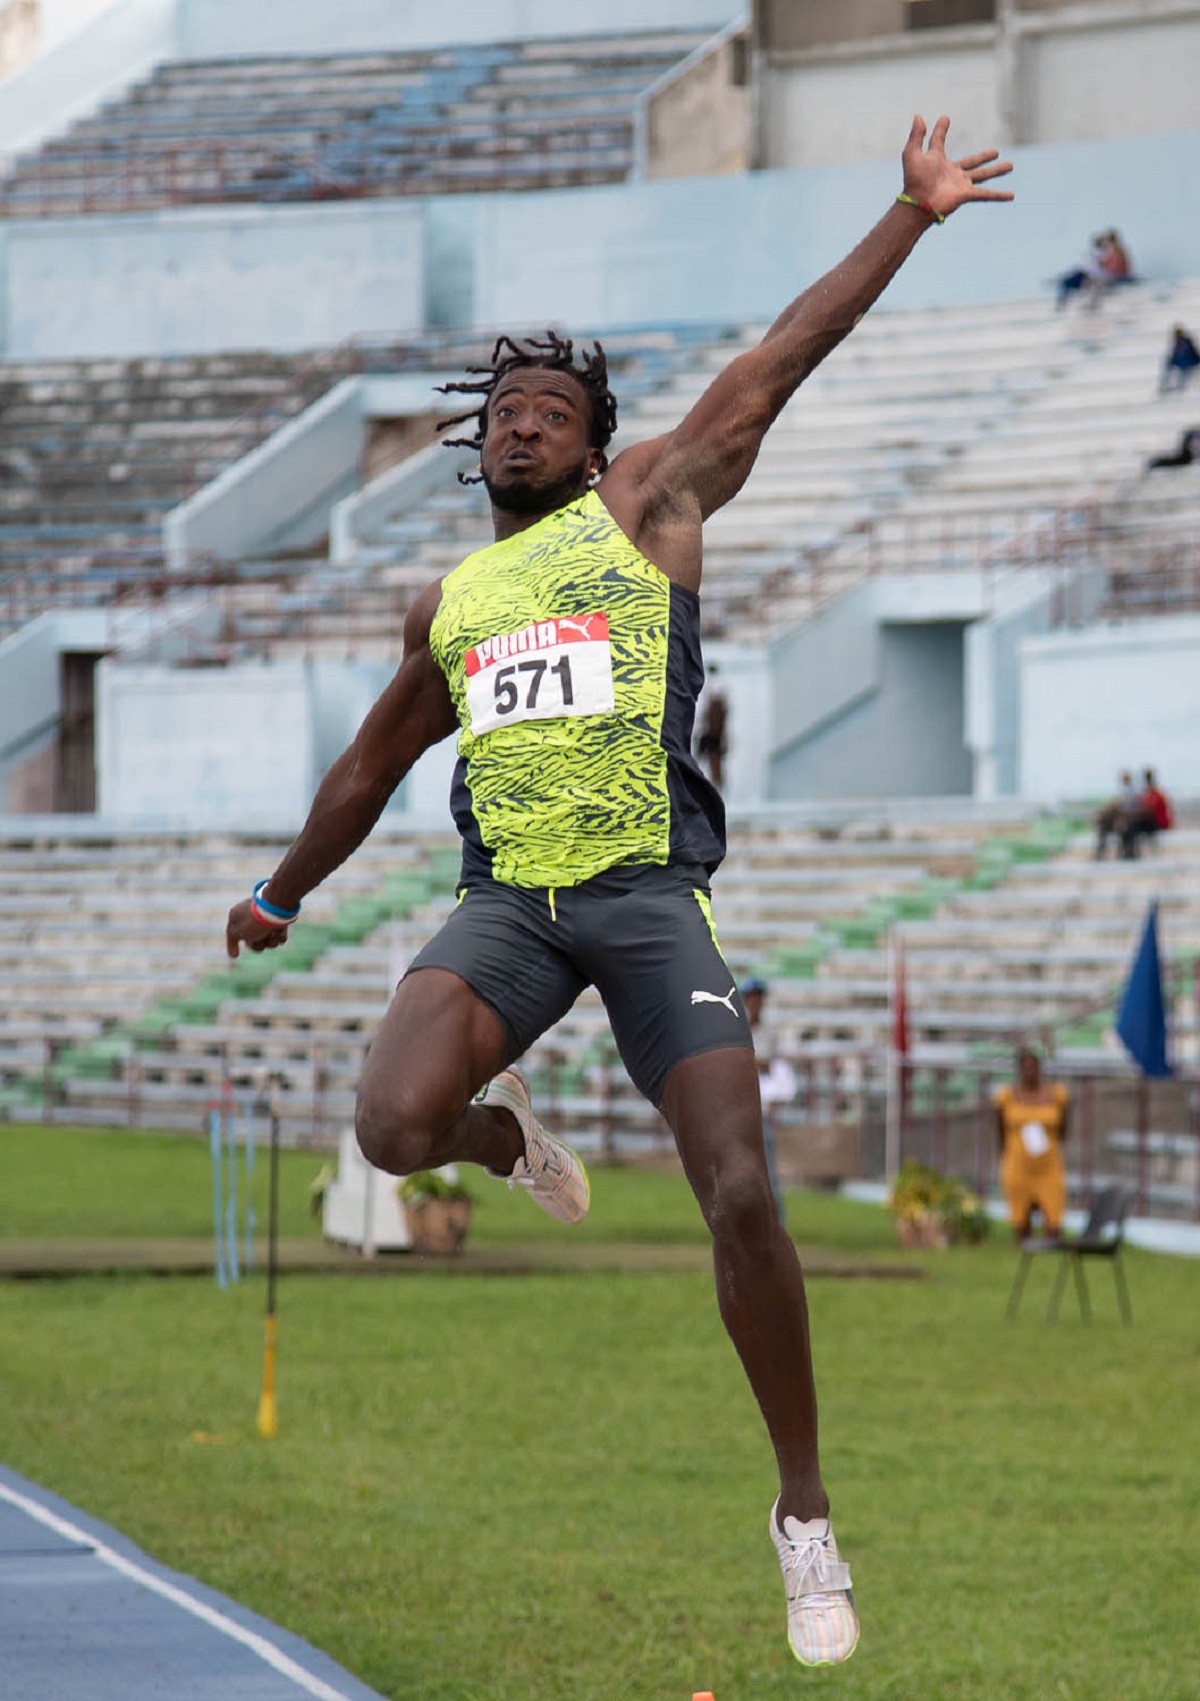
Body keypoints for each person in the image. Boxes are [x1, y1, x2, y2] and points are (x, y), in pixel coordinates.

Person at [224, 114, 1013, 1671]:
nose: (519, 423)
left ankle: (801, 1513)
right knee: (389, 1132)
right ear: (479, 445)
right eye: (502, 409)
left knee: (737, 1190)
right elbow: (367, 774)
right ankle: (503, 1132)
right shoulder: (448, 602)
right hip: (509, 902)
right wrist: (281, 891)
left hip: (648, 897)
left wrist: (909, 215)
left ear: (592, 442)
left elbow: (783, 356)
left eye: (549, 408)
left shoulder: (647, 508)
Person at [994, 1049, 1069, 1243]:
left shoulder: (1057, 1095)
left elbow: (1064, 1129)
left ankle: (1052, 1264)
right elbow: (999, 1131)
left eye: (1034, 1066)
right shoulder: (1006, 1097)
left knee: (1054, 1220)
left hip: (1049, 1166)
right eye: (1026, 1067)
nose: (1030, 1071)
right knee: (1021, 1223)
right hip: (1018, 1166)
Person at [742, 974, 794, 1226]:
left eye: (759, 998)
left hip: (761, 1111)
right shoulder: (738, 1029)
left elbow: (765, 1064)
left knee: (769, 1173)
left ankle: (777, 1224)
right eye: (752, 998)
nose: (756, 1003)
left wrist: (748, 1061)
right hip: (740, 1111)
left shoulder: (768, 1033)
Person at [1120, 767, 1173, 859]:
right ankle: (1129, 853)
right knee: (1128, 827)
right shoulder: (1148, 793)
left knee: (1130, 828)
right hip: (1150, 821)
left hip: (1155, 823)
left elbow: (1150, 810)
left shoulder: (1155, 793)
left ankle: (1131, 854)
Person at [695, 664, 730, 791]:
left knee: (712, 757)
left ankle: (712, 785)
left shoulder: (712, 688)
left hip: (710, 730)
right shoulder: (718, 689)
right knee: (711, 758)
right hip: (711, 729)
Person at [1094, 770, 1139, 858]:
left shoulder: (1130, 793)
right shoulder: (1125, 792)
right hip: (1121, 819)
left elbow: (1126, 807)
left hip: (1128, 821)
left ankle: (1125, 852)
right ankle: (1102, 853)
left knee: (1119, 827)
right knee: (1103, 828)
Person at [1159, 325, 1200, 394]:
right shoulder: (1176, 343)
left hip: (1191, 361)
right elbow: (1174, 355)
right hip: (1182, 362)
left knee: (1183, 368)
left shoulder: (1186, 342)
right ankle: (1164, 385)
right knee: (1168, 363)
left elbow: (1193, 353)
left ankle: (1180, 385)